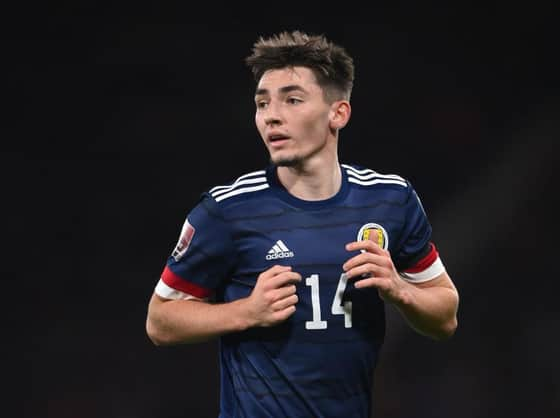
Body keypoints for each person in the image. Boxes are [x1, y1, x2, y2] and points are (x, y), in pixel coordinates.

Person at [145, 30, 459, 418]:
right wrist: (246, 311)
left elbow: (445, 317)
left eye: (292, 100)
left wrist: (399, 290)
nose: (271, 115)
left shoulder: (390, 200)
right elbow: (160, 321)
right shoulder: (226, 211)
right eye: (262, 103)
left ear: (338, 113)